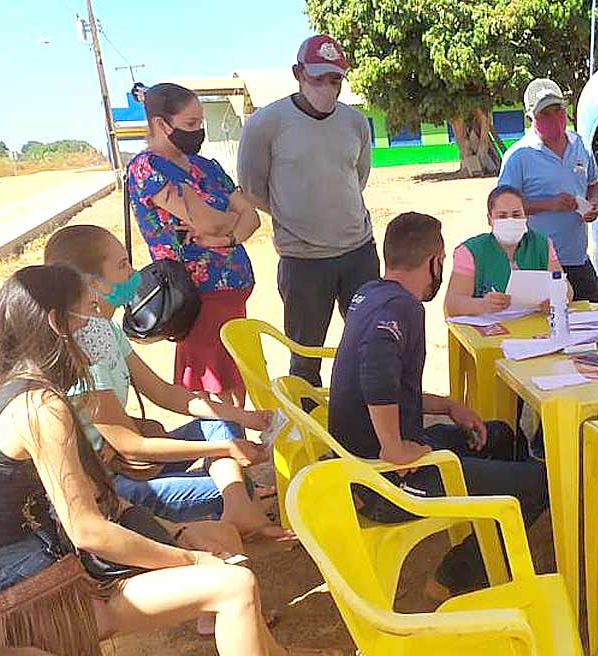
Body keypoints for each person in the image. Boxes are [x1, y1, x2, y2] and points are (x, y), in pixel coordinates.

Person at [0, 264, 336, 656]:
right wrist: (188, 559)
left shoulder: (23, 390)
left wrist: (176, 533)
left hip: (54, 569)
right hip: (31, 595)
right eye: (90, 310)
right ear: (58, 323)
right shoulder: (41, 407)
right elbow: (88, 530)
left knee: (219, 542)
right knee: (232, 585)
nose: (100, 322)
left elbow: (103, 503)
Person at [328, 212, 548, 598]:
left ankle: (490, 529)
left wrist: (447, 405)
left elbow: (387, 385)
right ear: (433, 260)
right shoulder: (399, 309)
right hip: (387, 479)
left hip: (361, 461)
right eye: (442, 261)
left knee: (498, 436)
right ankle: (455, 574)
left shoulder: (372, 293)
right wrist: (393, 447)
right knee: (540, 484)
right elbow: (376, 376)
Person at [44, 225, 293, 542]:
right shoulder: (80, 350)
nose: (134, 274)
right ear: (93, 285)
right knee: (235, 482)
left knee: (222, 420)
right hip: (112, 484)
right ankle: (240, 506)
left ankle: (240, 510)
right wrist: (226, 448)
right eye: (122, 266)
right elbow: (132, 446)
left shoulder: (106, 331)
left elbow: (162, 392)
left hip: (134, 463)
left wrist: (245, 417)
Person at [238, 34, 378, 387]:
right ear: (298, 73)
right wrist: (297, 218)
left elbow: (357, 177)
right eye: (318, 78)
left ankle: (364, 428)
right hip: (303, 261)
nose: (327, 89)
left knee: (372, 347)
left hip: (359, 253)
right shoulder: (264, 125)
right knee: (305, 357)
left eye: (335, 80)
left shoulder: (356, 122)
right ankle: (307, 431)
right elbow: (254, 189)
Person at [126, 83, 261, 407]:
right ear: (161, 124)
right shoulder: (148, 168)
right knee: (210, 386)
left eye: (200, 122)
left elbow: (252, 218)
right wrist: (228, 218)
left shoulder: (206, 166)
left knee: (237, 377)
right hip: (195, 294)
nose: (198, 131)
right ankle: (225, 452)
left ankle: (234, 449)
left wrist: (223, 236)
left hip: (232, 289)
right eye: (190, 124)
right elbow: (212, 220)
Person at [498, 78, 598, 302]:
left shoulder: (581, 145)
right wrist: (549, 204)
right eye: (544, 114)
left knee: (595, 321)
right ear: (531, 118)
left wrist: (593, 204)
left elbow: (594, 184)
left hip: (577, 259)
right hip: (537, 264)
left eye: (558, 110)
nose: (554, 118)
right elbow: (503, 209)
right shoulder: (519, 156)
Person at [443, 186, 570, 317]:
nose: (510, 220)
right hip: (488, 330)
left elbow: (566, 288)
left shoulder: (542, 244)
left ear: (525, 216)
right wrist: (483, 304)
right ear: (490, 219)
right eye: (502, 216)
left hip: (535, 325)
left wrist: (556, 301)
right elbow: (452, 304)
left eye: (516, 215)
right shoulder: (470, 251)